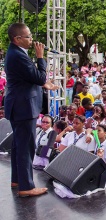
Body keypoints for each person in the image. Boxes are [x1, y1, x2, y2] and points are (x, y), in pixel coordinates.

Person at [5, 23, 58, 196]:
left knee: (18, 145)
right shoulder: (18, 56)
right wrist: (40, 57)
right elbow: (39, 76)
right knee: (26, 147)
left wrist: (43, 83)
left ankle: (17, 180)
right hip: (23, 107)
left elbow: (31, 78)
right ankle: (26, 187)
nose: (32, 39)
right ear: (17, 39)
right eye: (28, 36)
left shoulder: (16, 53)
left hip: (19, 106)